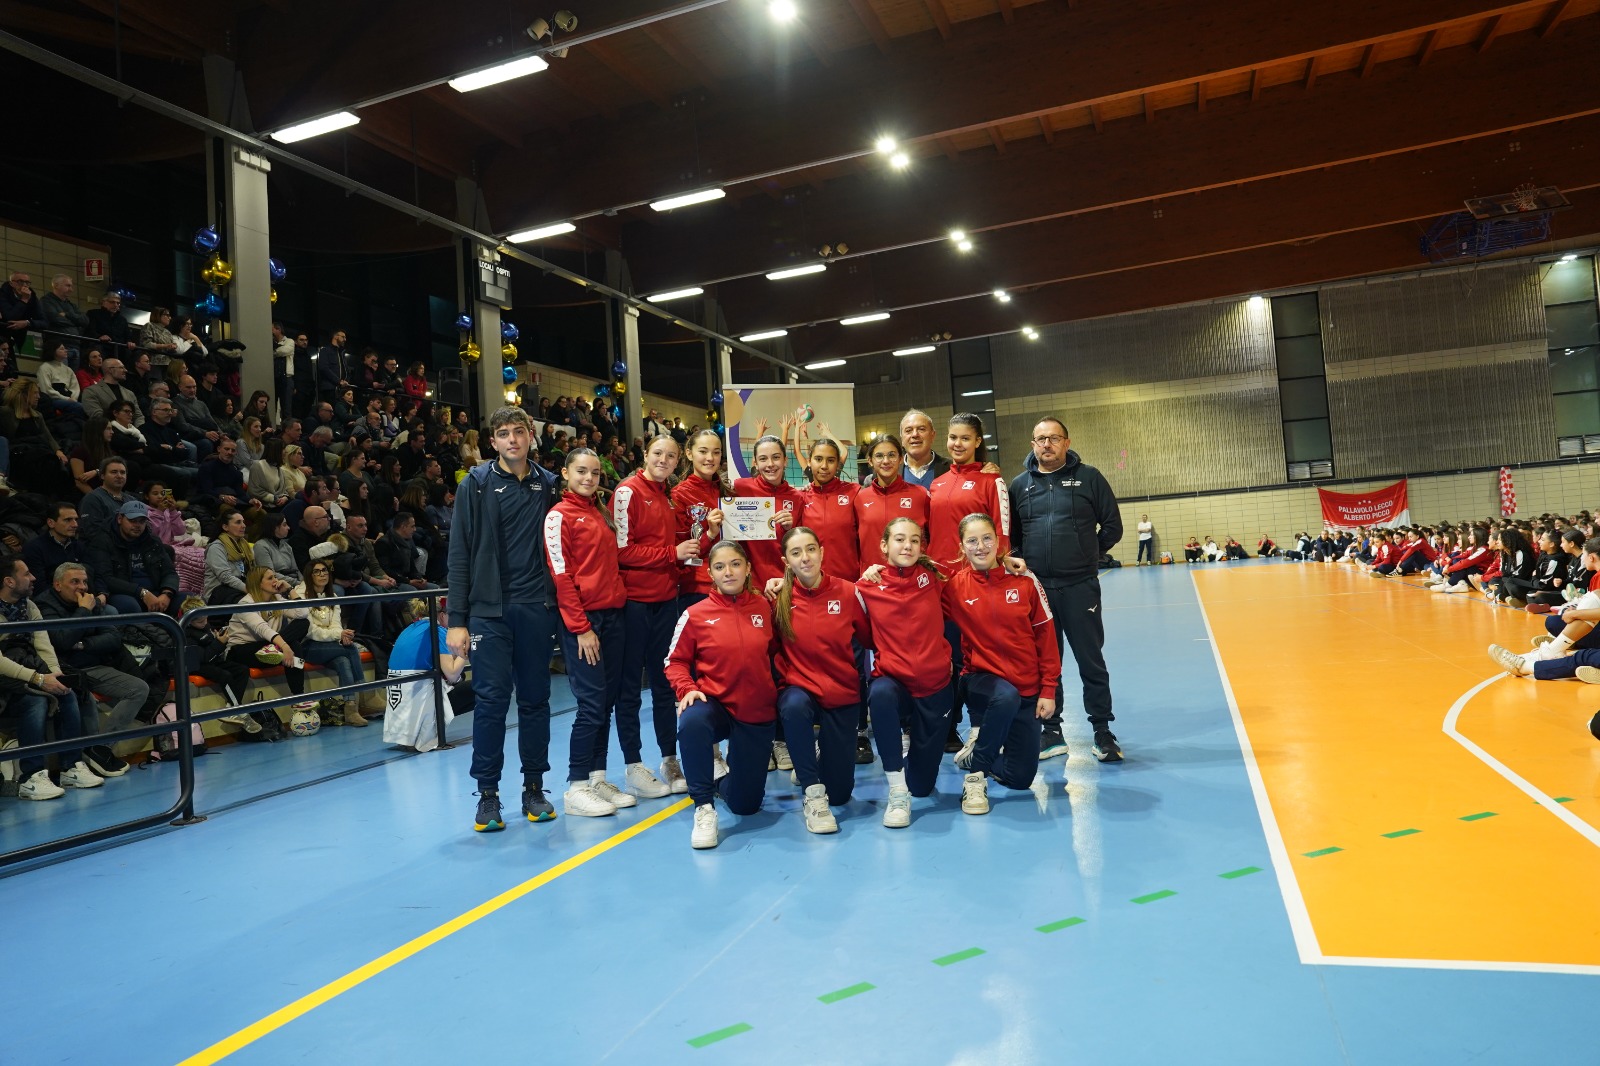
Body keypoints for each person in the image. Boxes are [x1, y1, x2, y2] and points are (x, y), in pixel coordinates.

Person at [448, 406, 562, 832]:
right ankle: (488, 795)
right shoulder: (475, 484)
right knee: (492, 702)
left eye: (518, 431)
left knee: (535, 701)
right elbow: (459, 552)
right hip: (488, 613)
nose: (512, 439)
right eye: (503, 433)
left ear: (530, 435)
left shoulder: (548, 484)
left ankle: (534, 787)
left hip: (536, 609)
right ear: (492, 441)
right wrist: (456, 619)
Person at [1008, 417, 1124, 763]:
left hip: (1080, 587)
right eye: (1040, 439)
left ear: (1066, 442)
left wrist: (1087, 555)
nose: (1047, 444)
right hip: (1038, 589)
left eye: (1054, 438)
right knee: (1046, 663)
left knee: (1091, 660)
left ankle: (1102, 731)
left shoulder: (1089, 477)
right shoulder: (1019, 485)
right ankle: (1051, 731)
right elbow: (1012, 536)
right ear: (1033, 444)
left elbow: (1113, 526)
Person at [665, 540, 780, 850]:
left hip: (755, 711)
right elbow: (674, 661)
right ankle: (703, 806)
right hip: (714, 705)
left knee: (746, 805)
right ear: (711, 574)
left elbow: (776, 653)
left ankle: (720, 781)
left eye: (735, 564)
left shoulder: (764, 607)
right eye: (719, 567)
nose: (728, 572)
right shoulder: (695, 614)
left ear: (748, 569)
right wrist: (687, 688)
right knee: (692, 720)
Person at [946, 514, 1061, 814]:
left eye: (987, 538)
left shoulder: (1024, 580)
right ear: (962, 547)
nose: (981, 546)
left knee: (1020, 778)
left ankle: (975, 754)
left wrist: (1048, 689)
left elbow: (1046, 638)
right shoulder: (956, 587)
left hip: (1026, 690)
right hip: (981, 681)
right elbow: (917, 587)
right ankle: (976, 777)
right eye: (972, 541)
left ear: (999, 541)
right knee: (1004, 696)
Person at [544, 448, 637, 816]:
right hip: (584, 623)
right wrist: (581, 627)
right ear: (566, 473)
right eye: (581, 471)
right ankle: (577, 786)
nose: (588, 478)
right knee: (592, 704)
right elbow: (561, 576)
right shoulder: (558, 516)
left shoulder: (599, 512)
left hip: (613, 617)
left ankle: (597, 778)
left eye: (595, 473)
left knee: (606, 702)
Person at [772, 526, 872, 833]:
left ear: (822, 552)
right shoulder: (777, 598)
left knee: (840, 795)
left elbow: (870, 638)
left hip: (841, 693)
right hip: (800, 690)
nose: (805, 558)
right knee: (793, 705)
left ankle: (815, 755)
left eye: (811, 549)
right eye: (796, 552)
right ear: (786, 561)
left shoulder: (848, 592)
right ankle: (812, 793)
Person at [612, 435, 695, 798]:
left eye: (671, 456)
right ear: (645, 455)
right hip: (633, 604)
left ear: (678, 462)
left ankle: (669, 759)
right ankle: (633, 765)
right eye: (658, 453)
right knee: (630, 688)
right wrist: (672, 554)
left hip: (666, 602)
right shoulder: (627, 491)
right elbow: (622, 550)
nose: (664, 459)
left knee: (664, 686)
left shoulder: (669, 496)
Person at [0, 557, 102, 800]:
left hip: (27, 671)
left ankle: (70, 767)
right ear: (9, 581)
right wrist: (37, 679)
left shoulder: (29, 606)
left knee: (66, 692)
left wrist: (55, 674)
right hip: (5, 679)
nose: (33, 578)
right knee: (34, 701)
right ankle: (31, 777)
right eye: (26, 574)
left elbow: (43, 643)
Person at [35, 562, 148, 769]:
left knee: (139, 689)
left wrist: (82, 644)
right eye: (75, 582)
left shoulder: (90, 602)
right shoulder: (44, 605)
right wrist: (83, 611)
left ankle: (101, 748)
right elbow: (61, 641)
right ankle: (81, 759)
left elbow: (113, 638)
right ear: (58, 585)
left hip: (94, 666)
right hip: (65, 669)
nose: (82, 587)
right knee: (82, 694)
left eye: (85, 582)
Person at [288, 549, 369, 727]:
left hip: (331, 645)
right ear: (309, 575)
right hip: (307, 646)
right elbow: (310, 631)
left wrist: (341, 636)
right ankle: (365, 694)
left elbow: (336, 624)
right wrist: (339, 635)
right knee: (351, 649)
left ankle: (351, 709)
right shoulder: (300, 595)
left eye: (324, 570)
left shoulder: (332, 595)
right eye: (317, 572)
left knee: (343, 661)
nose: (322, 574)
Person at [383, 599, 471, 751]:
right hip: (418, 697)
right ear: (442, 615)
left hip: (400, 711)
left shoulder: (409, 629)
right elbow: (451, 674)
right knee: (482, 686)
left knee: (458, 678)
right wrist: (466, 648)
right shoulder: (437, 631)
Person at [223, 567, 311, 700]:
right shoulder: (245, 603)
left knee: (302, 625)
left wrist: (289, 589)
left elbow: (302, 614)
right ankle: (299, 698)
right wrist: (284, 646)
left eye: (275, 576)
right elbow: (262, 629)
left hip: (268, 651)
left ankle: (299, 698)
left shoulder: (276, 598)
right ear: (258, 583)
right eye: (270, 578)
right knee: (293, 650)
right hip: (241, 651)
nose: (276, 580)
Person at [671, 428, 728, 621]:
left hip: (731, 583)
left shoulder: (728, 493)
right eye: (703, 451)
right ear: (689, 453)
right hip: (698, 588)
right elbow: (680, 553)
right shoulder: (679, 495)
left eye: (716, 452)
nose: (710, 458)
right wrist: (710, 534)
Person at [88, 500, 181, 616]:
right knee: (129, 605)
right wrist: (141, 592)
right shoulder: (103, 541)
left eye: (142, 521)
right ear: (120, 519)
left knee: (189, 600)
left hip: (155, 593)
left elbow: (170, 572)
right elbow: (106, 578)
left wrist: (167, 593)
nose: (137, 525)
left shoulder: (153, 541)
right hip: (124, 593)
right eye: (132, 520)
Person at [730, 433, 800, 588]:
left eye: (776, 457)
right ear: (755, 463)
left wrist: (790, 529)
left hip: (784, 582)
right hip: (748, 583)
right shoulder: (740, 487)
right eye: (763, 459)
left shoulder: (798, 497)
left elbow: (801, 544)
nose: (770, 464)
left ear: (785, 460)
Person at [204, 508, 254, 605]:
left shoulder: (244, 546)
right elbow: (225, 577)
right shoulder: (216, 547)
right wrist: (251, 590)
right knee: (250, 602)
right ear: (225, 527)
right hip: (219, 593)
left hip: (240, 589)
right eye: (238, 522)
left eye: (243, 522)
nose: (244, 525)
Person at [898, 409, 950, 490]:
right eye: (908, 430)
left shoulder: (951, 467)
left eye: (921, 429)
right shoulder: (892, 471)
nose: (915, 434)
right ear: (902, 439)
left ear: (932, 435)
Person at [252, 511, 301, 589]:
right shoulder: (261, 546)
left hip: (293, 584)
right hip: (275, 587)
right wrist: (298, 583)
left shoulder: (287, 546)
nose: (288, 527)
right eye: (284, 525)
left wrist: (303, 583)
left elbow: (296, 571)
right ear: (274, 527)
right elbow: (270, 575)